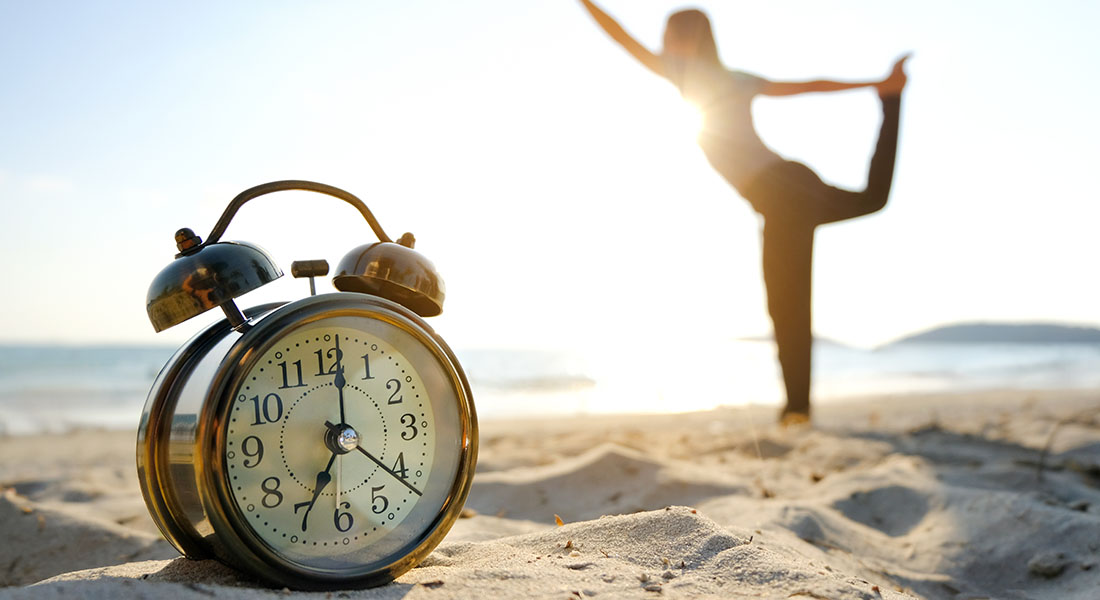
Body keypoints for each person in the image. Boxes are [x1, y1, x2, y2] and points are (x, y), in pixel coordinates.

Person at [578, 1, 909, 424]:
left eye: (670, 34)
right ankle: (893, 98)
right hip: (788, 189)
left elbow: (620, 35)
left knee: (786, 302)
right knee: (869, 204)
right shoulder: (731, 79)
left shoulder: (687, 75)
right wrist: (876, 82)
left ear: (689, 38)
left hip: (781, 194)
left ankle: (797, 410)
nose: (663, 43)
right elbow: (808, 85)